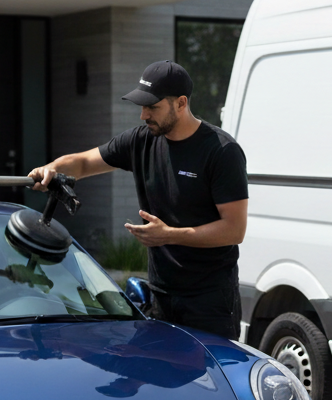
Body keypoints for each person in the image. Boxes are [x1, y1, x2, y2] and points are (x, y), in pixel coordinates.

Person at [28, 60, 249, 340]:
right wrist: (51, 169)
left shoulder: (221, 151)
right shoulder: (140, 141)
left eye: (152, 107)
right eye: (142, 106)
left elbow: (234, 230)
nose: (144, 115)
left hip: (210, 301)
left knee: (211, 370)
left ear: (181, 103)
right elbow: (83, 163)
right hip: (161, 295)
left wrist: (169, 235)